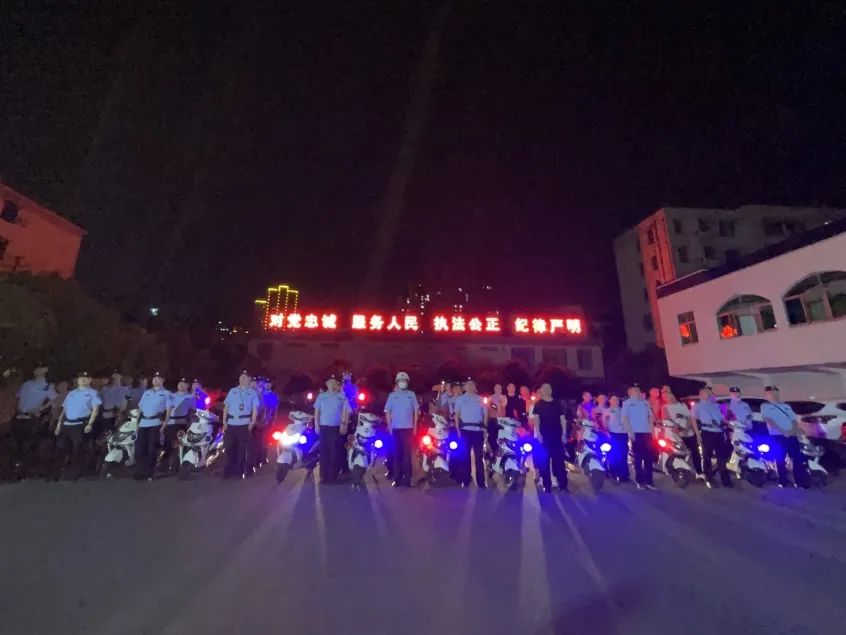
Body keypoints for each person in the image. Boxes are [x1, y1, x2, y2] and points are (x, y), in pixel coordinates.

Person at [54, 371, 101, 480]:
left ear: (90, 380)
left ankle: (76, 472)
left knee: (77, 450)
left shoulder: (93, 393)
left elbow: (95, 410)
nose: (83, 380)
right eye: (80, 378)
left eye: (86, 378)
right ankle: (60, 470)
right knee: (61, 447)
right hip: (66, 424)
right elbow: (64, 410)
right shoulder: (71, 393)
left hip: (80, 425)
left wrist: (90, 424)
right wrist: (59, 424)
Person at [760, 385, 810, 489]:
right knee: (780, 459)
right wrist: (783, 431)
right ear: (766, 395)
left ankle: (800, 481)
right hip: (777, 436)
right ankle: (783, 481)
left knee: (797, 458)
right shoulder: (765, 406)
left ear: (778, 393)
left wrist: (793, 430)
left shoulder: (786, 406)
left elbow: (793, 420)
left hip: (791, 435)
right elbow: (769, 420)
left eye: (774, 392)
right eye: (769, 393)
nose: (772, 394)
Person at [13, 363, 57, 473]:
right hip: (19, 416)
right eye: (35, 369)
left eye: (39, 369)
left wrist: (40, 409)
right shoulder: (26, 384)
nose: (36, 371)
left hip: (31, 418)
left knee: (30, 443)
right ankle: (21, 467)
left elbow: (54, 400)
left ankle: (30, 468)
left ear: (45, 370)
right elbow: (17, 397)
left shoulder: (47, 386)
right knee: (18, 443)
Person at [222, 370, 261, 479]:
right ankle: (228, 470)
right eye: (241, 377)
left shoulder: (252, 393)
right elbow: (226, 407)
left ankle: (238, 471)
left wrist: (252, 422)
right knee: (229, 447)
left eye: (245, 377)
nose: (242, 379)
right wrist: (224, 421)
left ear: (249, 380)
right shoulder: (232, 391)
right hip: (231, 423)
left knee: (242, 449)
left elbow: (255, 409)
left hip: (244, 424)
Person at [691, 385, 732, 488]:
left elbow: (722, 418)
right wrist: (697, 434)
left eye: (709, 392)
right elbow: (693, 420)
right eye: (706, 392)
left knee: (722, 457)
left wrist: (730, 424)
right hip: (707, 432)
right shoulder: (697, 406)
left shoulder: (715, 405)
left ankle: (726, 480)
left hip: (718, 432)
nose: (709, 394)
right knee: (707, 457)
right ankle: (709, 478)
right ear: (701, 394)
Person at [530, 383, 568, 492]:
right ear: (541, 390)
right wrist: (538, 434)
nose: (546, 390)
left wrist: (564, 433)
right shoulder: (538, 404)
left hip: (557, 436)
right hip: (544, 436)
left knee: (559, 462)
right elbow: (537, 420)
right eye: (544, 388)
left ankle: (563, 485)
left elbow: (562, 420)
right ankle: (547, 486)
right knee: (544, 462)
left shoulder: (557, 404)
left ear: (551, 390)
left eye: (548, 388)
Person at [384, 371, 419, 487]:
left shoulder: (411, 395)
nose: (402, 382)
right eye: (400, 381)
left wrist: (415, 427)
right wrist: (389, 427)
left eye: (404, 381)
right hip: (395, 429)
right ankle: (397, 479)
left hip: (408, 429)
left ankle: (407, 479)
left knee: (407, 456)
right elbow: (387, 412)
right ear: (397, 382)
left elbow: (416, 411)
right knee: (397, 455)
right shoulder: (392, 395)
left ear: (407, 382)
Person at [135, 371, 172, 481]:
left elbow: (168, 410)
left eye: (158, 378)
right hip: (143, 423)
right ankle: (140, 471)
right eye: (154, 378)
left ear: (163, 380)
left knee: (151, 449)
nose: (155, 380)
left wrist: (164, 425)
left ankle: (150, 472)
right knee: (140, 449)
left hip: (155, 423)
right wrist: (136, 424)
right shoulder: (146, 393)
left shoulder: (167, 393)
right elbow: (140, 409)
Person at [313, 375, 349, 484]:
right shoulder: (321, 396)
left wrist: (344, 424)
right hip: (324, 428)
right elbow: (317, 412)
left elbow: (346, 412)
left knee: (334, 453)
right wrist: (316, 425)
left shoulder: (342, 397)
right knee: (324, 453)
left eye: (335, 383)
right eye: (330, 382)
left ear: (338, 385)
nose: (332, 385)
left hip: (336, 428)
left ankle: (332, 476)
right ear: (327, 384)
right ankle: (324, 476)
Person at [661, 386, 703, 479]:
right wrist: (678, 429)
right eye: (664, 396)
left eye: (668, 395)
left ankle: (699, 472)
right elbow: (667, 420)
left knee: (695, 452)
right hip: (677, 434)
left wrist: (686, 428)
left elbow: (689, 417)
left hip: (689, 432)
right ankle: (681, 470)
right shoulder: (665, 407)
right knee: (680, 452)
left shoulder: (682, 405)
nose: (666, 397)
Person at [454, 379, 487, 488]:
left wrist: (484, 428)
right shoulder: (460, 399)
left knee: (479, 457)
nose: (470, 386)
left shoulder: (480, 399)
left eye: (472, 385)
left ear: (474, 387)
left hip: (478, 431)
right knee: (465, 456)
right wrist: (458, 429)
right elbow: (457, 415)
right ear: (465, 387)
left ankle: (481, 482)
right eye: (468, 385)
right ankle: (466, 479)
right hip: (465, 431)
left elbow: (485, 414)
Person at [622, 383, 656, 490]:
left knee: (648, 458)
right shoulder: (627, 403)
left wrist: (652, 431)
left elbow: (651, 417)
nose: (636, 392)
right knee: (638, 458)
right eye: (634, 390)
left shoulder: (645, 403)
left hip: (647, 433)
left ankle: (649, 481)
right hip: (636, 433)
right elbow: (625, 418)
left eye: (637, 390)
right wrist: (630, 432)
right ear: (630, 392)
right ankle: (640, 481)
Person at [162, 377, 194, 471]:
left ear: (187, 385)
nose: (181, 385)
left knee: (179, 446)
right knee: (167, 444)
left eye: (183, 384)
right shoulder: (171, 395)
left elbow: (193, 411)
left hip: (181, 424)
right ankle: (164, 464)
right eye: (179, 383)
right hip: (170, 423)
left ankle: (176, 466)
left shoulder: (190, 397)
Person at [603, 395, 629, 482]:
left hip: (623, 434)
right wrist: (607, 433)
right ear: (610, 401)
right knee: (614, 454)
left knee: (623, 454)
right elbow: (604, 424)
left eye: (617, 400)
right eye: (613, 400)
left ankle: (624, 475)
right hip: (613, 434)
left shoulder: (623, 410)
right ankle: (614, 473)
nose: (616, 401)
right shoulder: (607, 411)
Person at [99, 370, 129, 434]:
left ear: (120, 377)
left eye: (117, 375)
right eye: (114, 376)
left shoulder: (125, 389)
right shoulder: (104, 389)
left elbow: (127, 402)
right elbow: (100, 402)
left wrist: (121, 413)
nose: (115, 377)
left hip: (119, 417)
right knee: (106, 435)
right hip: (106, 416)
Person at [485, 383, 507, 460]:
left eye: (500, 388)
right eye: (497, 388)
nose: (498, 390)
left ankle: (501, 453)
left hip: (501, 421)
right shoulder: (490, 398)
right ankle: (492, 453)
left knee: (501, 437)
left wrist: (498, 408)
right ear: (494, 389)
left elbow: (502, 409)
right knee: (492, 437)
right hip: (492, 420)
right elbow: (488, 409)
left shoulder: (503, 397)